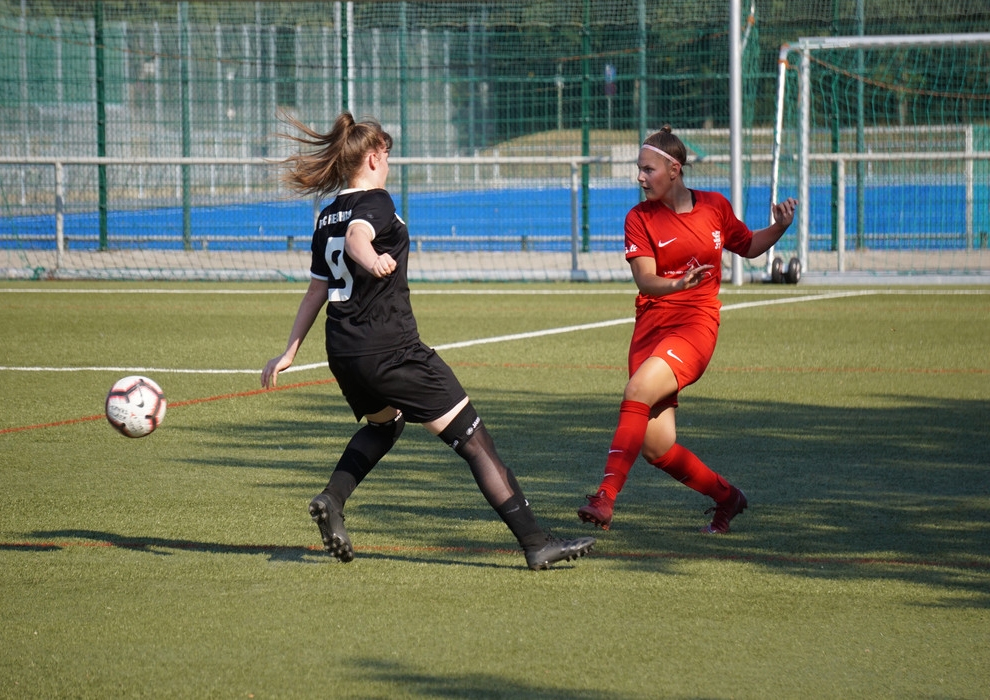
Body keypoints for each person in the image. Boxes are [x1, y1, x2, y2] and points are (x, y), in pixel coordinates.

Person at [261, 111, 595, 570]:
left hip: (344, 350)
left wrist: (290, 351)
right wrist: (372, 257)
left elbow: (317, 287)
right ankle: (536, 543)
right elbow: (359, 238)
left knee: (385, 424)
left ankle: (333, 499)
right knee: (477, 443)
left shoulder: (325, 216)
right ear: (375, 156)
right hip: (391, 349)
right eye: (388, 155)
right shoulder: (374, 201)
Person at [577, 125, 797, 534]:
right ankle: (728, 497)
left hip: (695, 326)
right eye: (639, 170)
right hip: (650, 329)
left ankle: (605, 498)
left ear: (674, 169)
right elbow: (645, 280)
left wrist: (780, 228)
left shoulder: (714, 206)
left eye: (648, 170)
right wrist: (676, 283)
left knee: (637, 391)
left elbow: (747, 245)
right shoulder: (638, 218)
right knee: (656, 447)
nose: (640, 178)